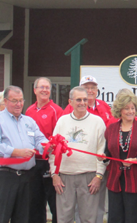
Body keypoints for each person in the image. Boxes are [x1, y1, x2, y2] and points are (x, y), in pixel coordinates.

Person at [49, 86, 106, 223]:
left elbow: (102, 152)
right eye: (78, 99)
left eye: (85, 99)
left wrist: (99, 176)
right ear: (70, 102)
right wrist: (54, 174)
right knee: (64, 219)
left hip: (89, 177)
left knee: (88, 219)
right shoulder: (62, 121)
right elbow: (53, 150)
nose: (82, 103)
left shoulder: (98, 122)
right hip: (64, 178)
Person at [63, 75, 112, 223]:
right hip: (76, 169)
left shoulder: (104, 107)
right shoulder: (68, 110)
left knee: (97, 206)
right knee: (78, 208)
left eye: (93, 88)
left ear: (97, 90)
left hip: (98, 168)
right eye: (86, 87)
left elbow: (109, 135)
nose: (90, 91)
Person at [104, 91, 137, 223]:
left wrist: (136, 160)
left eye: (133, 108)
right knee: (115, 217)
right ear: (119, 110)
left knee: (133, 217)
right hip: (115, 179)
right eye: (127, 108)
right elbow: (108, 153)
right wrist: (103, 157)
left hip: (135, 180)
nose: (130, 111)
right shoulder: (111, 129)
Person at [0, 85, 49, 223]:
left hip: (27, 178)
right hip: (6, 177)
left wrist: (48, 147)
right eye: (14, 100)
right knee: (2, 215)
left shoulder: (29, 121)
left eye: (21, 100)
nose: (19, 104)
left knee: (23, 218)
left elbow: (40, 139)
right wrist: (16, 152)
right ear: (5, 101)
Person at [26, 77, 63, 223]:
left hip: (50, 163)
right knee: (35, 202)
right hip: (33, 163)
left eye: (47, 87)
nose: (45, 90)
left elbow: (60, 138)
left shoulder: (56, 110)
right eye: (41, 87)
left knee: (54, 203)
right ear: (35, 90)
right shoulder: (29, 110)